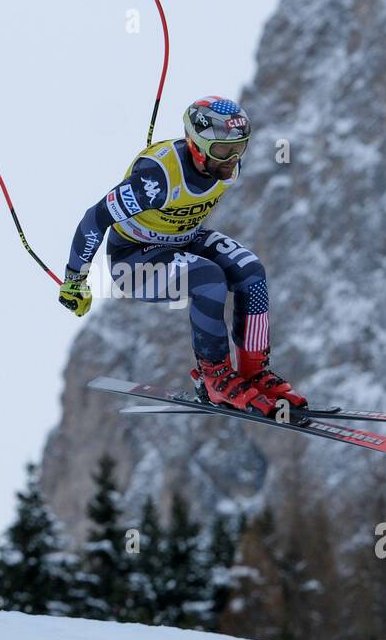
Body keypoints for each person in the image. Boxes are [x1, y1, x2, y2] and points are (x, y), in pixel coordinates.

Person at [58, 96, 306, 416]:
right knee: (208, 278)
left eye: (240, 147)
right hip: (133, 260)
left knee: (251, 272)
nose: (231, 159)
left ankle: (254, 371)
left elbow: (194, 205)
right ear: (195, 144)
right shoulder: (155, 181)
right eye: (221, 151)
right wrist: (75, 279)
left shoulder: (227, 165)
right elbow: (95, 219)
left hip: (183, 239)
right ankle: (214, 376)